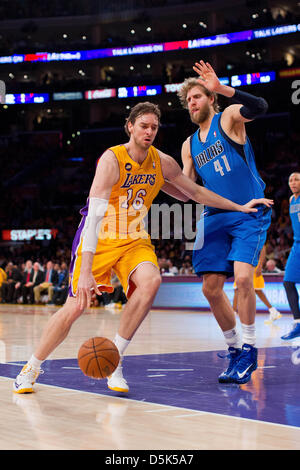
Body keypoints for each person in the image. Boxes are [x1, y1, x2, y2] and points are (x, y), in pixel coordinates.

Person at [13, 101, 272, 394]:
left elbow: (195, 192)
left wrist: (238, 206)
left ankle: (117, 361)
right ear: (130, 127)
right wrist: (86, 271)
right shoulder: (112, 160)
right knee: (76, 305)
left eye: (154, 127)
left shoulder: (162, 162)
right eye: (143, 126)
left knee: (151, 281)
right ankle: (31, 367)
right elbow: (94, 218)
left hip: (135, 238)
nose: (149, 132)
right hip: (100, 237)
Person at [178, 60, 272, 384]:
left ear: (210, 99)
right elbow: (187, 190)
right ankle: (233, 349)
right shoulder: (188, 146)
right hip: (213, 216)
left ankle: (249, 348)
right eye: (188, 99)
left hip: (248, 212)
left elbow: (260, 106)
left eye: (198, 96)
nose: (192, 103)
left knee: (244, 280)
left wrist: (223, 87)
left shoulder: (229, 118)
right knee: (210, 288)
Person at [233, 245, 282, 324]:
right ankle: (273, 311)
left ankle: (233, 314)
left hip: (252, 265)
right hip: (244, 263)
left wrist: (260, 265)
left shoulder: (256, 234)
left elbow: (262, 248)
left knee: (244, 289)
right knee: (240, 289)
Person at [281, 172, 300, 340]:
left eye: (297, 180)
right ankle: (298, 323)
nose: (293, 182)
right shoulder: (292, 200)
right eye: (291, 180)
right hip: (297, 245)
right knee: (288, 282)